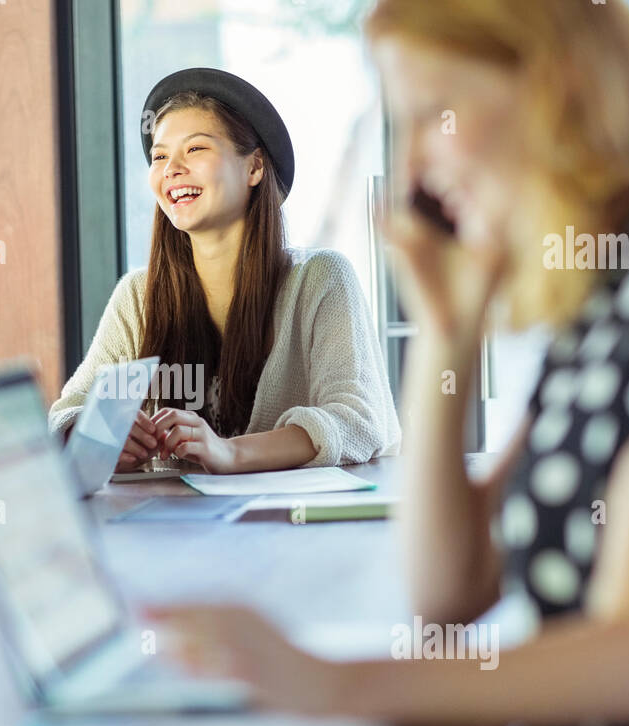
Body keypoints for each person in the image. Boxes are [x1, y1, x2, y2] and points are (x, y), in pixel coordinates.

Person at [150, 0, 629, 726]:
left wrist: (325, 682)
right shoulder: (616, 296)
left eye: (437, 113)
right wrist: (448, 335)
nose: (415, 165)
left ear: (555, 87)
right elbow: (451, 586)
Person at [48, 68, 401, 473]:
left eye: (195, 150)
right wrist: (96, 435)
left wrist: (229, 452)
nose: (171, 169)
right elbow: (66, 412)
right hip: (167, 531)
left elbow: (357, 420)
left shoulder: (320, 279)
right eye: (160, 156)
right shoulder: (137, 297)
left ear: (254, 168)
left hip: (289, 531)